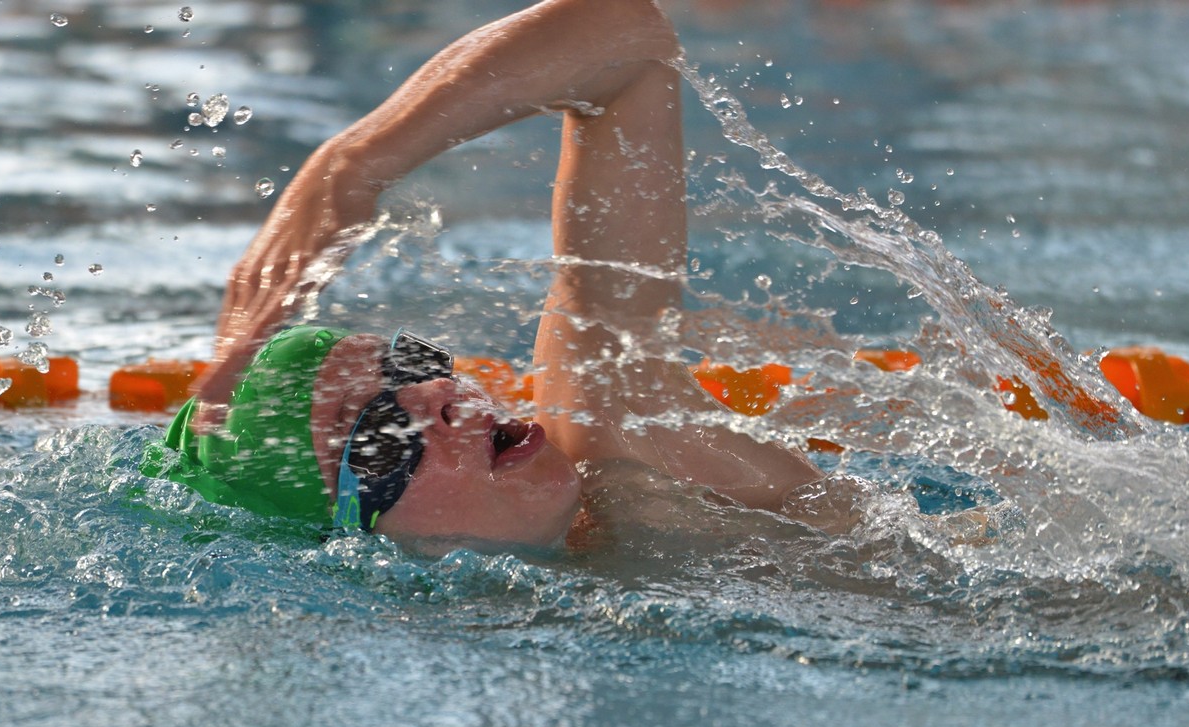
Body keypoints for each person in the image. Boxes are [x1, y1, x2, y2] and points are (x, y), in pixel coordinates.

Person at [142, 0, 858, 553]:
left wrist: (353, 164)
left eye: (410, 363)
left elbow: (627, 41)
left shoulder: (636, 460)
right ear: (346, 543)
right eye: (381, 433)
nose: (441, 394)